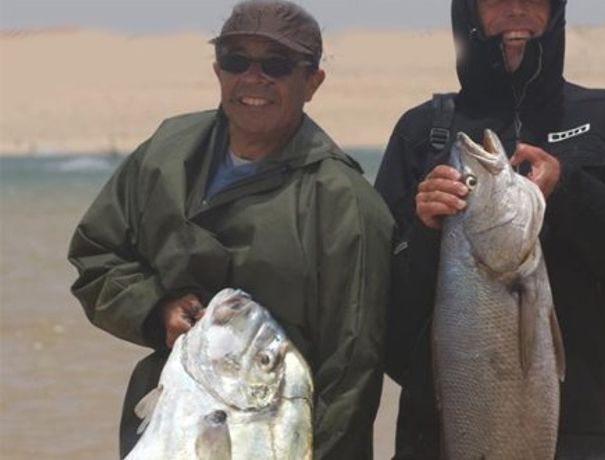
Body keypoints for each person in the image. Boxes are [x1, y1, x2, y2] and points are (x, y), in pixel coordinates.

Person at [67, 1, 393, 458]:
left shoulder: (348, 206)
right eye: (237, 60)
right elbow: (97, 256)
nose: (253, 78)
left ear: (313, 82)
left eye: (276, 64)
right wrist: (156, 309)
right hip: (167, 422)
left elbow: (351, 377)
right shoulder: (166, 153)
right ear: (218, 71)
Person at [374, 0, 605, 458]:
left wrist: (569, 189)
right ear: (469, 12)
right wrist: (423, 231)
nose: (516, 10)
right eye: (496, 0)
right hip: (442, 437)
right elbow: (379, 321)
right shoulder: (423, 133)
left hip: (582, 439)